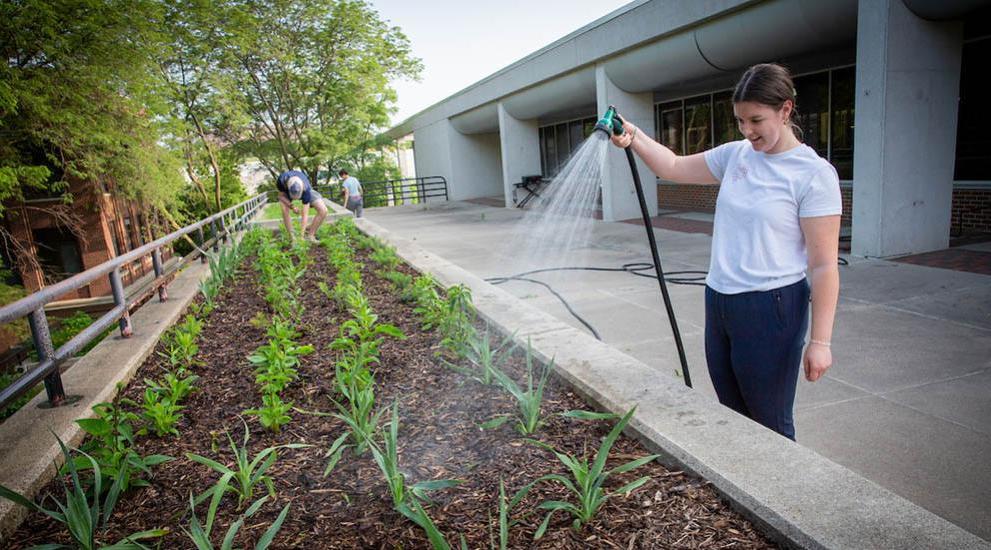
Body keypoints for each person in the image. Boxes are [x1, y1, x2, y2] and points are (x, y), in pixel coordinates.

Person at [609, 63, 840, 441]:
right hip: (720, 300)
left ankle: (781, 496)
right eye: (740, 121)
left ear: (785, 110)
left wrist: (821, 342)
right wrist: (633, 136)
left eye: (756, 120)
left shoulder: (812, 174)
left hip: (772, 306)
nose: (747, 131)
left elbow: (825, 264)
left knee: (769, 421)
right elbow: (674, 166)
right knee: (732, 415)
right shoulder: (737, 155)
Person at [275, 169, 328, 242]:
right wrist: (292, 206)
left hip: (305, 190)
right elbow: (280, 196)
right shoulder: (281, 180)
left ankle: (310, 235)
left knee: (323, 210)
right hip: (286, 192)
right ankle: (293, 238)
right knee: (284, 209)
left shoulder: (306, 189)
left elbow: (305, 214)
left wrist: (301, 237)